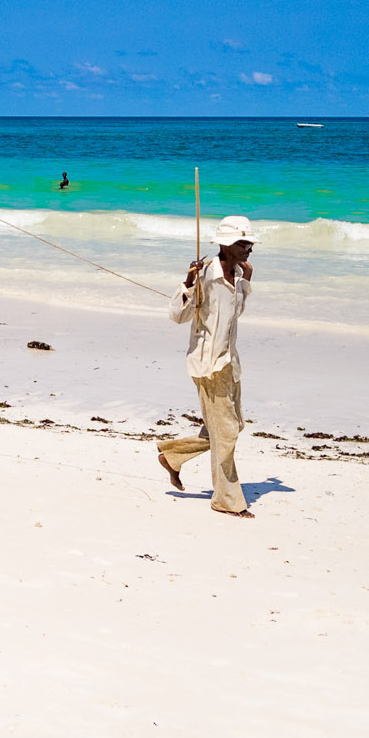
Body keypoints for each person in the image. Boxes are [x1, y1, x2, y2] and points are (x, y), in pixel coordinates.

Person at [158, 216, 258, 517]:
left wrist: (246, 281)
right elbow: (178, 316)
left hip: (229, 362)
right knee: (226, 431)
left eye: (250, 243)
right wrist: (189, 283)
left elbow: (234, 314)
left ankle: (172, 456)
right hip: (208, 364)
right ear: (226, 245)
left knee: (233, 425)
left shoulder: (237, 275)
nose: (249, 248)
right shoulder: (205, 275)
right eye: (243, 243)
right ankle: (227, 500)